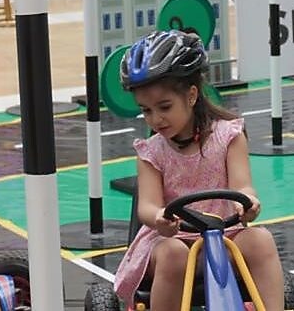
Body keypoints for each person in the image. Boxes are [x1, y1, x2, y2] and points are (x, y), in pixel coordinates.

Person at [112, 30, 284, 310]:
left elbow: (242, 186)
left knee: (261, 241)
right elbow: (147, 206)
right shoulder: (151, 152)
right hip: (172, 240)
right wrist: (158, 217)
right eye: (146, 110)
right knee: (173, 255)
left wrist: (248, 203)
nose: (156, 119)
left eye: (164, 107)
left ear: (191, 95)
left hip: (225, 235)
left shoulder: (228, 136)